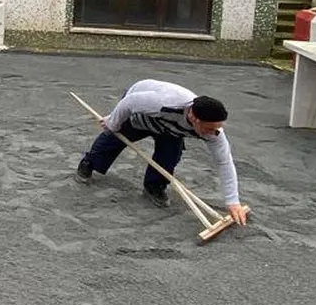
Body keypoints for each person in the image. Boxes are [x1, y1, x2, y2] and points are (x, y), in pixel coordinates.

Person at [75, 79, 249, 226]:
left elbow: (224, 162)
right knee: (114, 137)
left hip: (172, 129)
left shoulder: (214, 131)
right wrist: (113, 122)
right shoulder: (165, 103)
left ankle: (154, 186)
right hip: (140, 113)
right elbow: (129, 102)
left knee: (171, 153)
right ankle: (89, 163)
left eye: (218, 127)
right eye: (210, 128)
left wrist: (233, 202)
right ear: (194, 118)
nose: (215, 132)